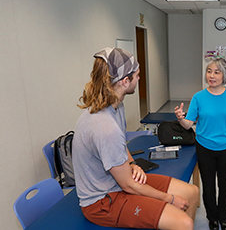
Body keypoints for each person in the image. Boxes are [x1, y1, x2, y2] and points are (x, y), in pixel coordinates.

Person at [72, 47, 199, 230]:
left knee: (192, 192)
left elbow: (121, 146)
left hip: (118, 182)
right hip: (102, 201)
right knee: (184, 223)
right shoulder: (104, 127)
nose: (139, 79)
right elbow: (129, 186)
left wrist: (132, 164)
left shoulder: (116, 106)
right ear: (125, 81)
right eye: (137, 76)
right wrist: (170, 199)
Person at [174, 58, 226, 230]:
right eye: (209, 71)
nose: (211, 75)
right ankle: (212, 219)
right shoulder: (198, 97)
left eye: (217, 72)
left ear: (224, 75)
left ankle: (224, 218)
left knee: (225, 185)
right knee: (209, 186)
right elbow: (188, 124)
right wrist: (180, 118)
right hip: (204, 147)